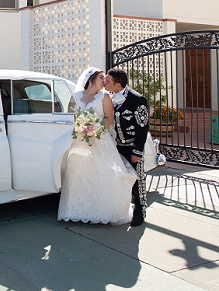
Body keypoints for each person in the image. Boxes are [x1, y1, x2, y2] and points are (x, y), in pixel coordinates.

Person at [58, 67, 137, 225]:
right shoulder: (76, 96)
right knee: (78, 174)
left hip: (99, 140)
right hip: (79, 140)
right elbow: (70, 117)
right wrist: (80, 127)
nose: (105, 81)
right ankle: (75, 210)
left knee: (101, 173)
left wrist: (94, 129)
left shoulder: (104, 97)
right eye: (102, 78)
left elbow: (109, 118)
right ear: (92, 79)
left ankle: (102, 211)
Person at [104, 67, 150, 227]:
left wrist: (137, 151)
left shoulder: (137, 99)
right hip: (115, 147)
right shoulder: (108, 97)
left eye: (108, 81)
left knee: (138, 181)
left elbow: (143, 127)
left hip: (131, 148)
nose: (105, 82)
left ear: (117, 85)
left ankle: (140, 212)